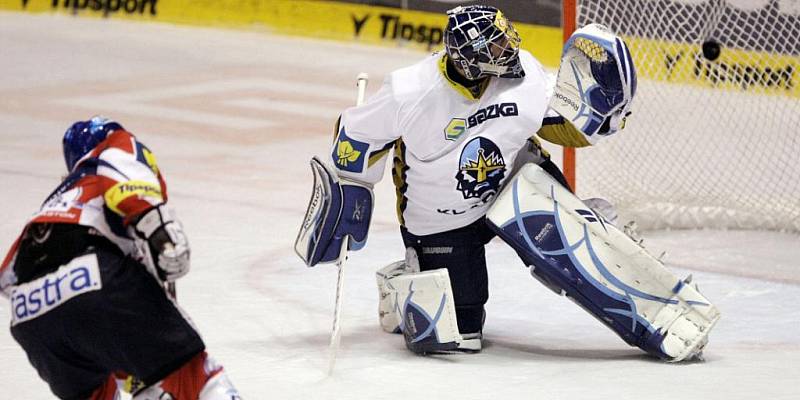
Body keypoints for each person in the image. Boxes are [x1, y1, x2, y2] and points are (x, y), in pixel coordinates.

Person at [298, 5, 716, 361]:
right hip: (439, 219)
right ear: (469, 58)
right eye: (497, 48)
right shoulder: (410, 91)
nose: (510, 50)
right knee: (455, 337)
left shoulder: (525, 74)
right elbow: (353, 139)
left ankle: (632, 274)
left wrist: (601, 114)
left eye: (507, 40)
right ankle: (402, 279)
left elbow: (561, 124)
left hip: (515, 187)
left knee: (574, 250)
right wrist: (349, 195)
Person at [0, 117, 241, 399]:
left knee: (101, 391)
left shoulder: (57, 203)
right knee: (196, 377)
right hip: (92, 276)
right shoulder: (111, 147)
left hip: (28, 314)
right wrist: (161, 232)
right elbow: (128, 183)